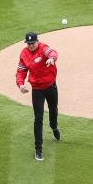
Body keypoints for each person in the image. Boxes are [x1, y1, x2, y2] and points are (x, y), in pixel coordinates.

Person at [15, 32, 60, 162]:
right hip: (37, 90)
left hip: (51, 86)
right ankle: (38, 149)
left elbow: (52, 53)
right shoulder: (24, 54)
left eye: (33, 43)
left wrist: (52, 59)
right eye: (28, 44)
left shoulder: (43, 48)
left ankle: (54, 127)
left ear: (37, 42)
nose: (31, 46)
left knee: (53, 110)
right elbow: (21, 71)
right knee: (38, 119)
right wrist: (21, 84)